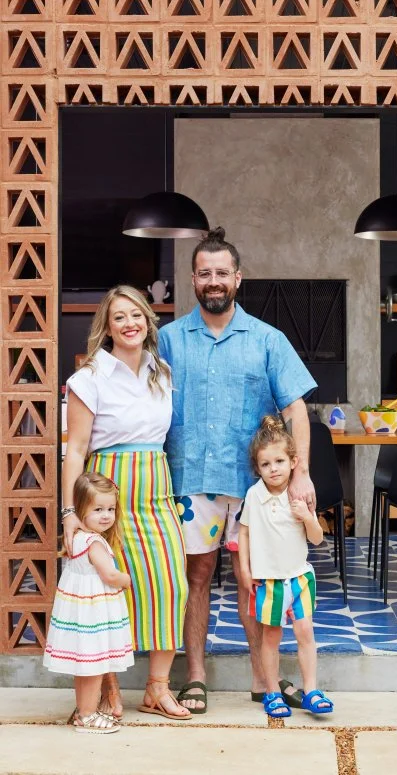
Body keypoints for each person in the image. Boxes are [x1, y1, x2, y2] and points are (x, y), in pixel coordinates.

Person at [158, 227, 317, 713]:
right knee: (196, 577)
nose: (213, 281)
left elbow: (296, 409)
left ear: (238, 278)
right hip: (191, 481)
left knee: (257, 580)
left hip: (254, 492)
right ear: (193, 279)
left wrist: (301, 473)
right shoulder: (167, 339)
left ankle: (261, 678)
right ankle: (196, 676)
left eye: (221, 273)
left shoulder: (268, 340)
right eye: (204, 273)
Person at [61, 285, 191, 721]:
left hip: (156, 485)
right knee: (107, 591)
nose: (130, 323)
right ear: (107, 326)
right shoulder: (89, 377)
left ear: (148, 320)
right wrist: (70, 515)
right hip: (106, 493)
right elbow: (76, 449)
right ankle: (109, 688)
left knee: (172, 584)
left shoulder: (162, 371)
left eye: (136, 314)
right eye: (119, 317)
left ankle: (157, 688)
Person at [239, 416, 333, 717]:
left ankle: (312, 689)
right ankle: (271, 691)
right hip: (269, 581)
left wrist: (307, 517)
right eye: (265, 464)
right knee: (271, 636)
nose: (273, 469)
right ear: (258, 468)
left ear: (293, 462)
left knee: (305, 632)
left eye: (279, 461)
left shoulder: (300, 496)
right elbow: (244, 532)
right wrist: (244, 569)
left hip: (300, 578)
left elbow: (317, 539)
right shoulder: (255, 495)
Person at [44, 472, 133, 734]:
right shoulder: (94, 542)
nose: (106, 515)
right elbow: (109, 575)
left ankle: (82, 711)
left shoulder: (77, 539)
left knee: (84, 666)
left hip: (80, 610)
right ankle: (88, 715)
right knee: (94, 665)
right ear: (81, 509)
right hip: (93, 611)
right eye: (98, 509)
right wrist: (126, 579)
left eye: (110, 509)